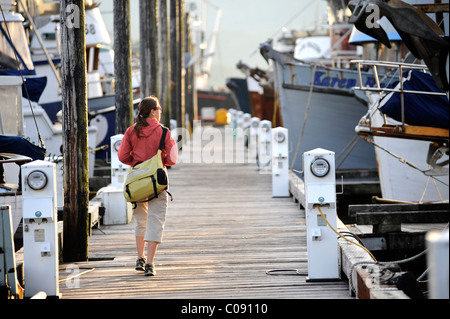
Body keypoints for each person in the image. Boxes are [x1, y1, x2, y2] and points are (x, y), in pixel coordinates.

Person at [118, 96, 178, 276]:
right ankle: (150, 263)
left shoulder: (130, 131)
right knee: (155, 220)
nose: (160, 111)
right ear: (153, 111)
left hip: (137, 182)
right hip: (157, 183)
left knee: (140, 220)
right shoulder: (164, 132)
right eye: (158, 108)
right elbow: (173, 159)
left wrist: (137, 163)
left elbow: (122, 157)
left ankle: (139, 257)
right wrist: (161, 161)